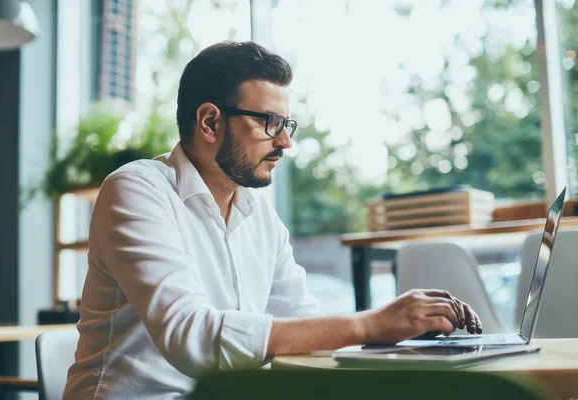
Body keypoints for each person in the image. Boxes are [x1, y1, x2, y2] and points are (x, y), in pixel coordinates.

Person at [63, 41, 482, 399]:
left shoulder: (257, 211)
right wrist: (370, 323)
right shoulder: (137, 189)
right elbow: (191, 337)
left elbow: (303, 324)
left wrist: (402, 332)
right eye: (270, 123)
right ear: (210, 122)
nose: (285, 142)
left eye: (287, 124)